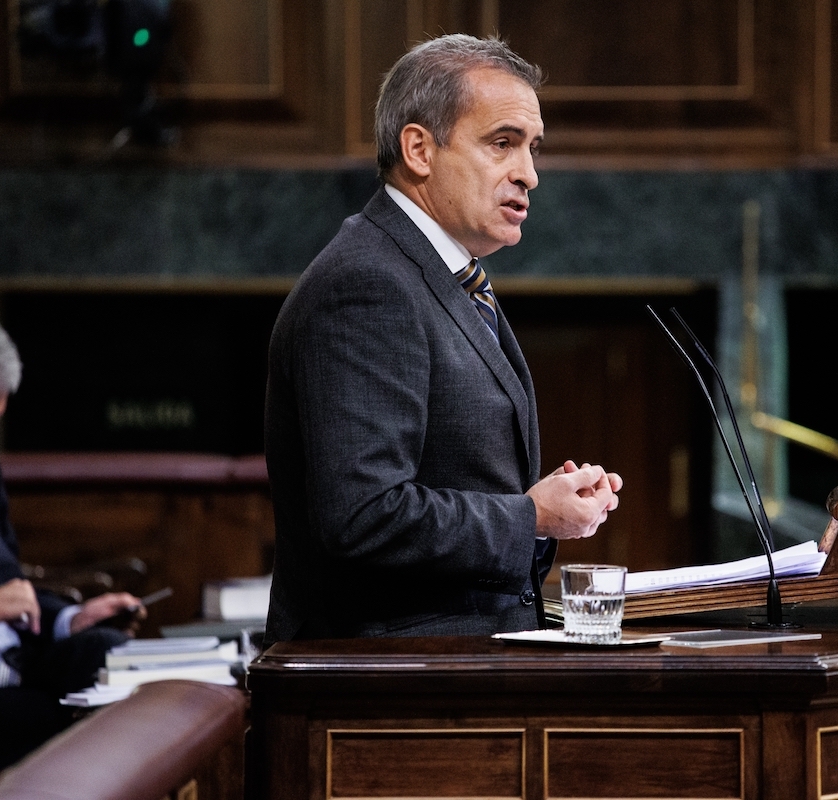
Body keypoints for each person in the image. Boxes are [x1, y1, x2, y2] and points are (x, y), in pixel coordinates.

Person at [264, 34, 622, 641]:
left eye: (533, 149)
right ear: (419, 149)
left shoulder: (439, 275)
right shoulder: (368, 284)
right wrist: (530, 516)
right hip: (387, 693)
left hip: (448, 675)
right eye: (502, 144)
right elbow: (363, 516)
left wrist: (537, 510)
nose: (529, 175)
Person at [0, 304, 147, 775]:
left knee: (106, 650)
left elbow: (12, 588)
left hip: (10, 662)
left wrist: (71, 618)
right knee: (77, 721)